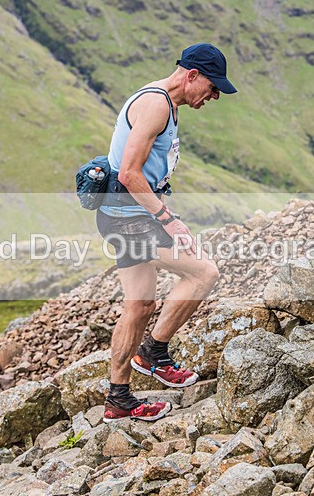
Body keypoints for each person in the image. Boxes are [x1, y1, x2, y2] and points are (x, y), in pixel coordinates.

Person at [96, 43, 238, 422]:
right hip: (128, 218)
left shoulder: (168, 105)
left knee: (139, 305)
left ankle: (119, 398)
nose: (214, 96)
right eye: (211, 87)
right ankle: (153, 353)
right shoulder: (157, 104)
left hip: (126, 214)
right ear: (191, 75)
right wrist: (167, 218)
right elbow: (128, 173)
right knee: (204, 273)